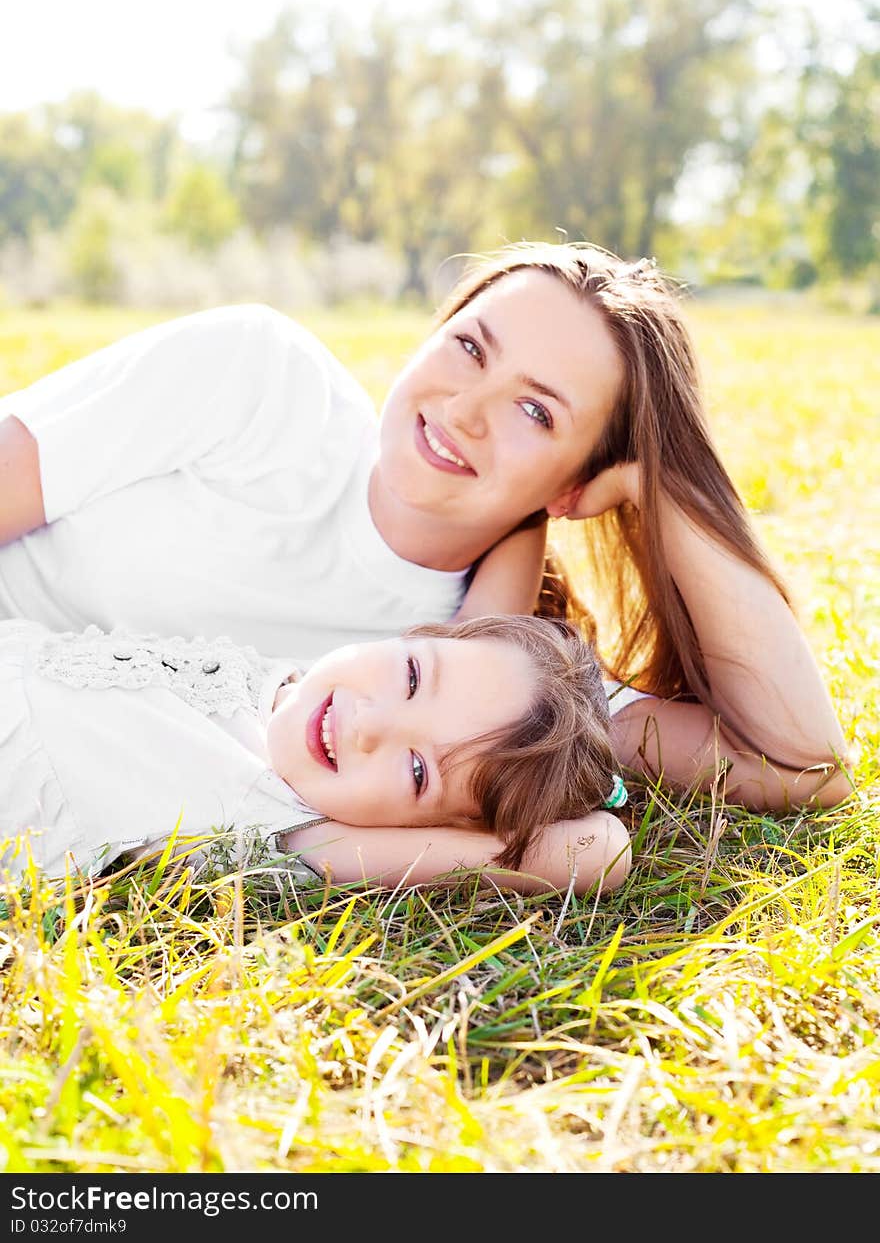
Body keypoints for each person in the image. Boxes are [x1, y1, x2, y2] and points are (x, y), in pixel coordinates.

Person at [0, 241, 851, 820]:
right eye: (472, 347)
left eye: (534, 409)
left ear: (578, 485)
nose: (465, 410)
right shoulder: (260, 383)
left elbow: (801, 767)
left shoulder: (491, 688)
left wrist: (664, 490)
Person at [0, 614, 633, 897]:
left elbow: (599, 853)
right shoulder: (283, 680)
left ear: (429, 830)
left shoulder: (288, 828)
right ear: (413, 636)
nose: (369, 723)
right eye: (412, 676)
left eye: (417, 771)